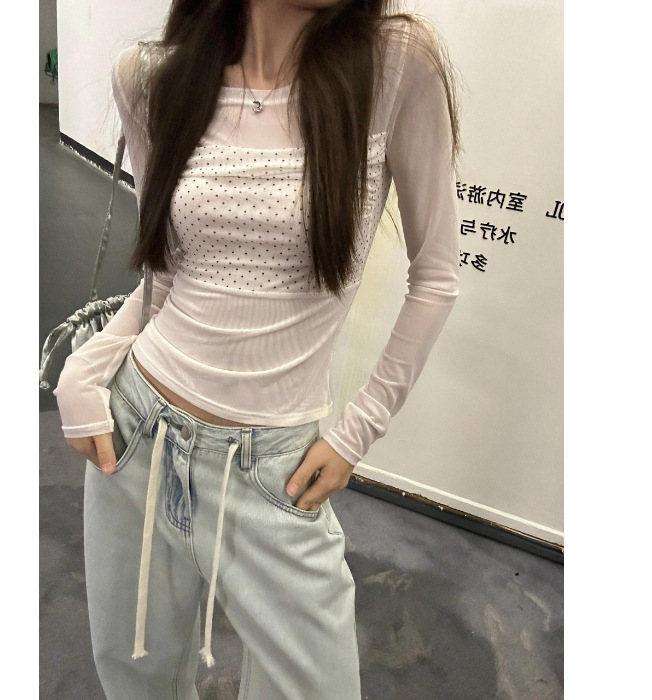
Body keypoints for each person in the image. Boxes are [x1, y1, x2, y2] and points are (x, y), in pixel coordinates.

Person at [53, 1, 463, 698]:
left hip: (273, 468)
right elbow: (165, 276)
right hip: (137, 434)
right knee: (135, 677)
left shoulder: (396, 65)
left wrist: (356, 434)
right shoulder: (151, 79)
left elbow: (436, 278)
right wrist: (84, 369)